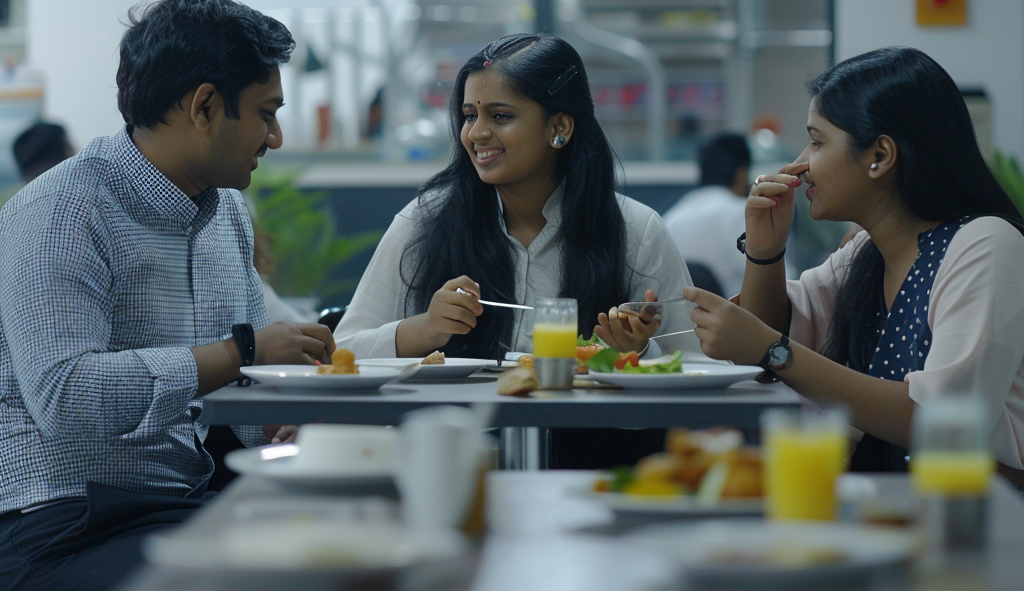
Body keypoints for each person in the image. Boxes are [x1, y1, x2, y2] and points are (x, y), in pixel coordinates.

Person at [0, 0, 335, 591]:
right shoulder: (63, 212)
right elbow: (68, 397)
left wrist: (276, 423)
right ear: (204, 106)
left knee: (359, 551)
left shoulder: (225, 214)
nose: (276, 135)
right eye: (265, 114)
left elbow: (238, 389)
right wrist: (242, 353)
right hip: (58, 525)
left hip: (179, 501)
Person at [684, 47, 1024, 478]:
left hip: (977, 525)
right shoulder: (863, 254)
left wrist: (773, 350)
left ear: (879, 155)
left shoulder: (984, 244)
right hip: (883, 510)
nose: (802, 164)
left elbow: (940, 420)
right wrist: (765, 250)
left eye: (817, 141)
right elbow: (774, 331)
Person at [335, 33, 693, 360]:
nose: (476, 133)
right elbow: (344, 350)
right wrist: (425, 328)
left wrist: (638, 350)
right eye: (469, 115)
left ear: (559, 128)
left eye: (500, 116)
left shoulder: (634, 230)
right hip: (460, 429)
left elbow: (700, 363)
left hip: (592, 432)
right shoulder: (425, 220)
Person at [662, 132, 751, 297]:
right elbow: (781, 286)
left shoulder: (672, 217)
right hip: (733, 320)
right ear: (741, 173)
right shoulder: (743, 214)